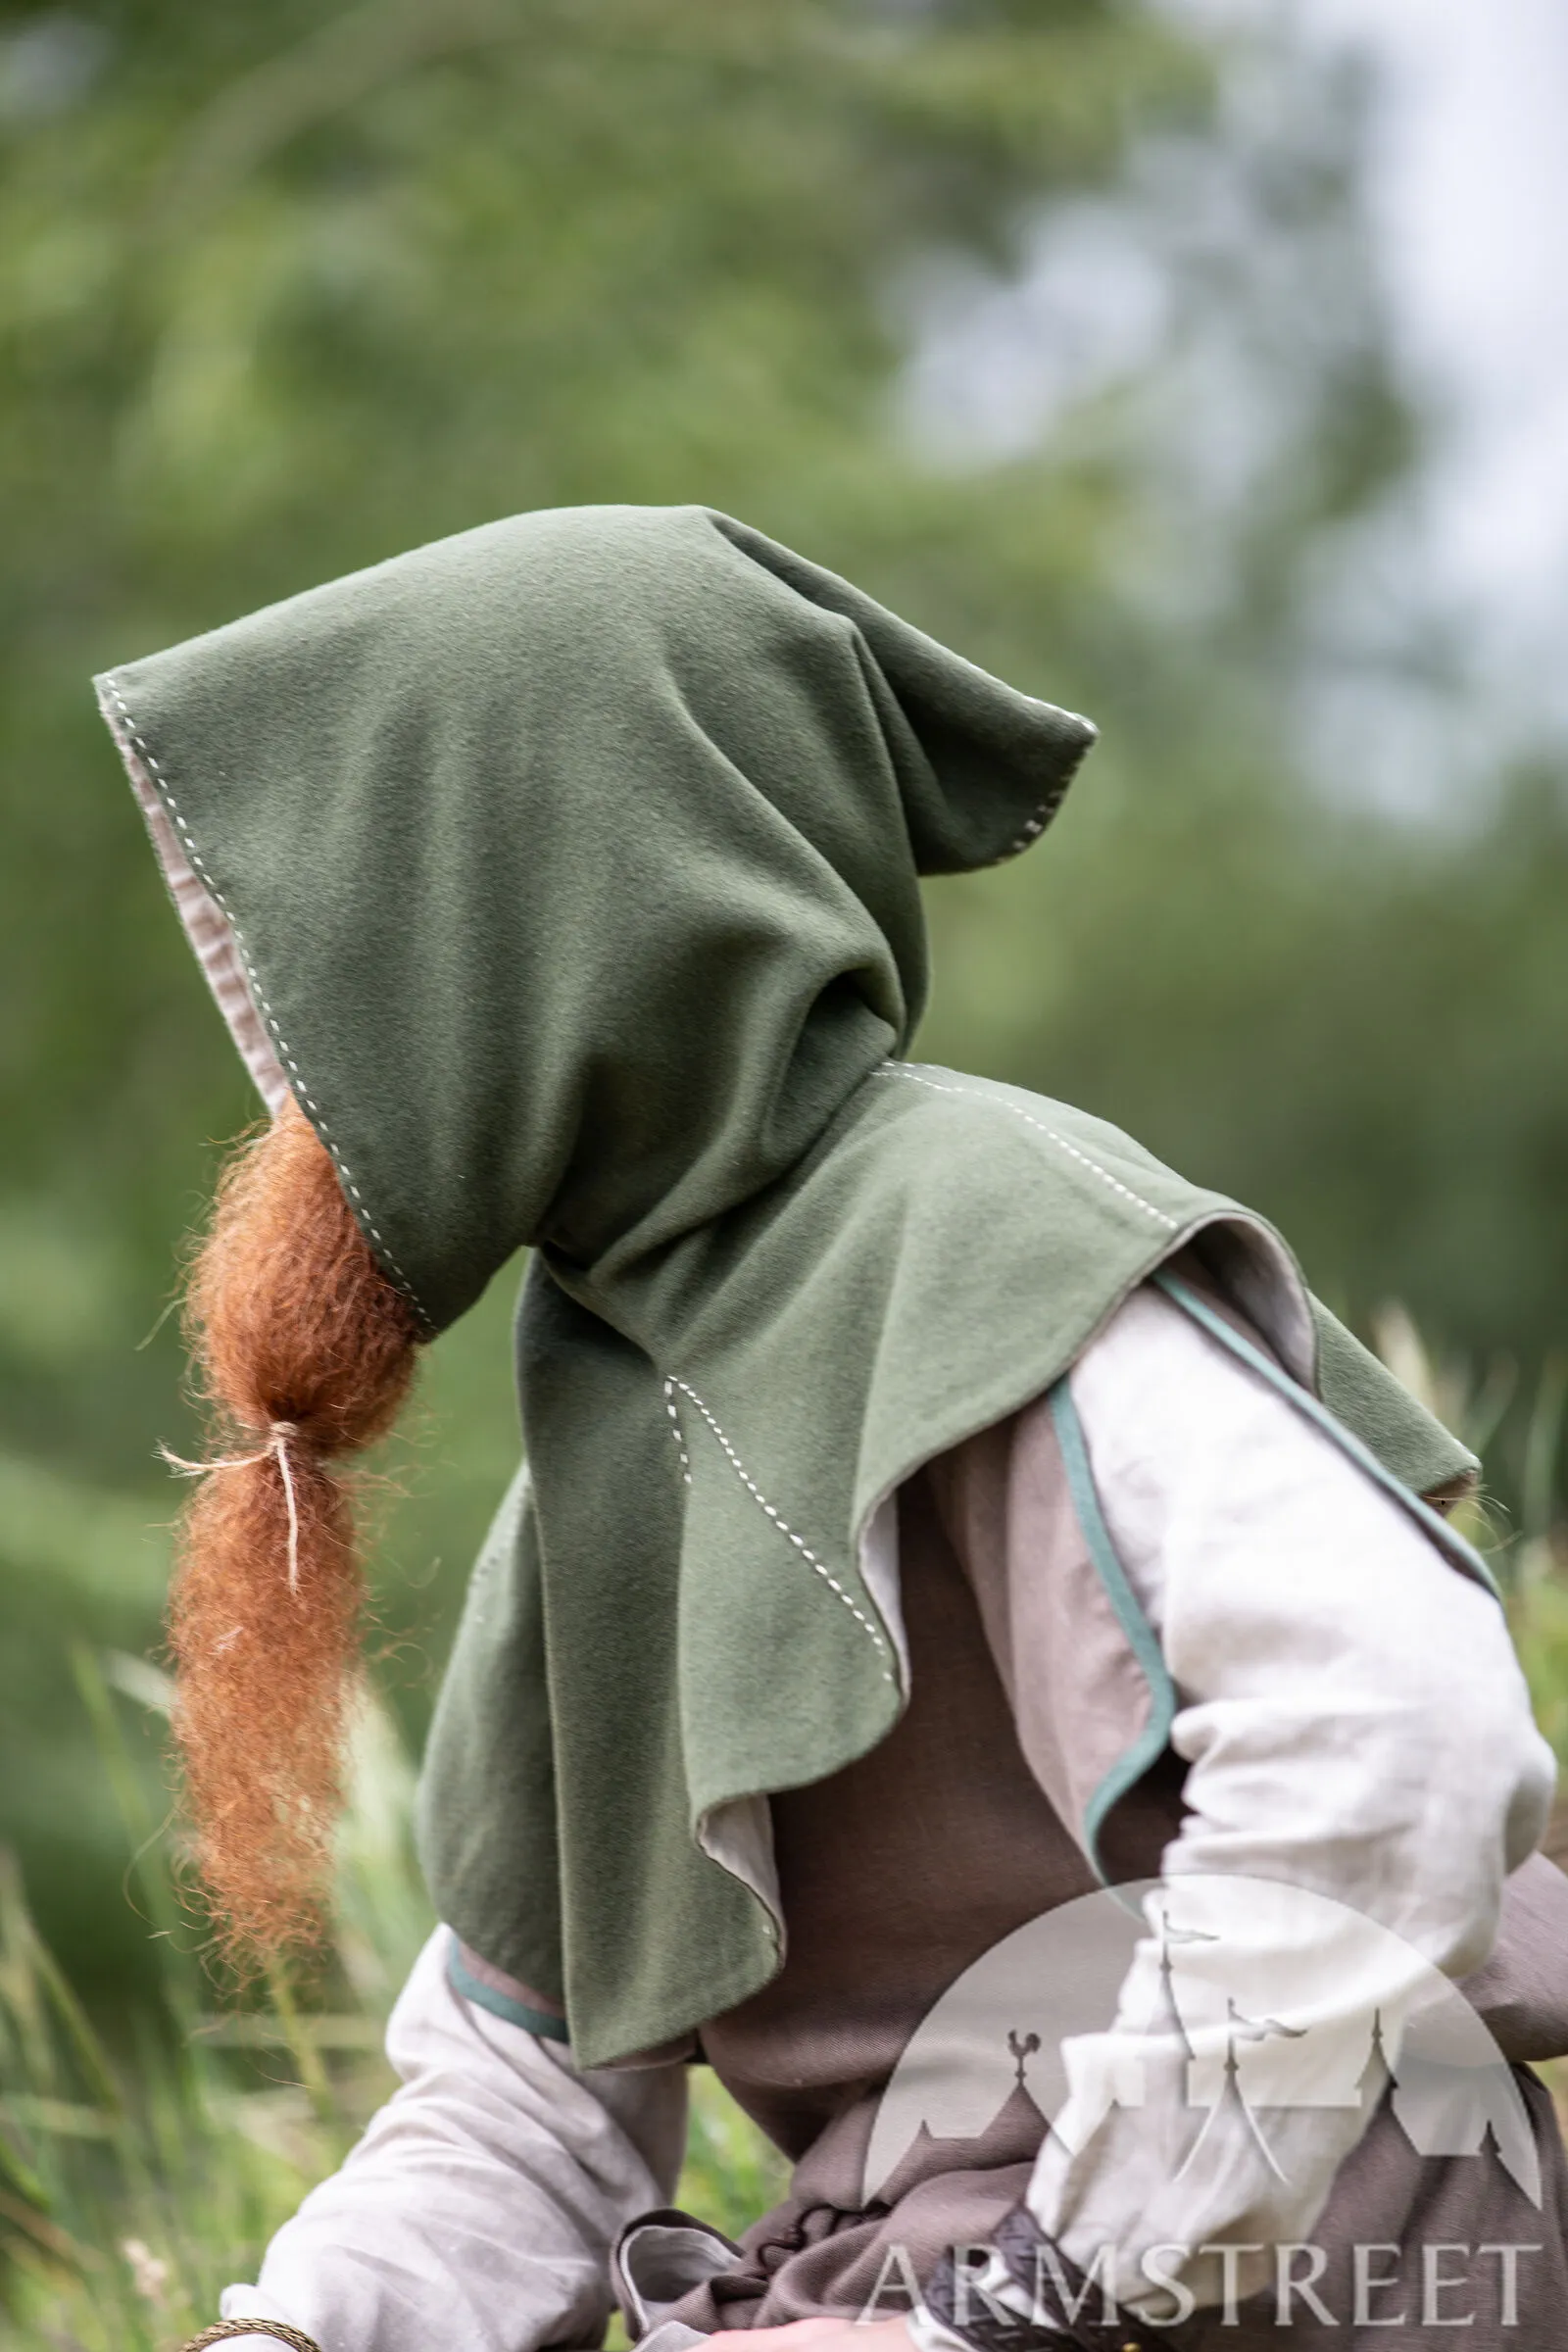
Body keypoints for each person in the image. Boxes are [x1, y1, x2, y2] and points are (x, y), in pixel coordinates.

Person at [98, 506, 1568, 2350]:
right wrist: (290, 2338)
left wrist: (1069, 2275)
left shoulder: (993, 1237)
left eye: (351, 960)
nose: (304, 1096)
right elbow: (528, 2122)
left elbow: (1399, 1742)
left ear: (553, 913)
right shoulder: (598, 1456)